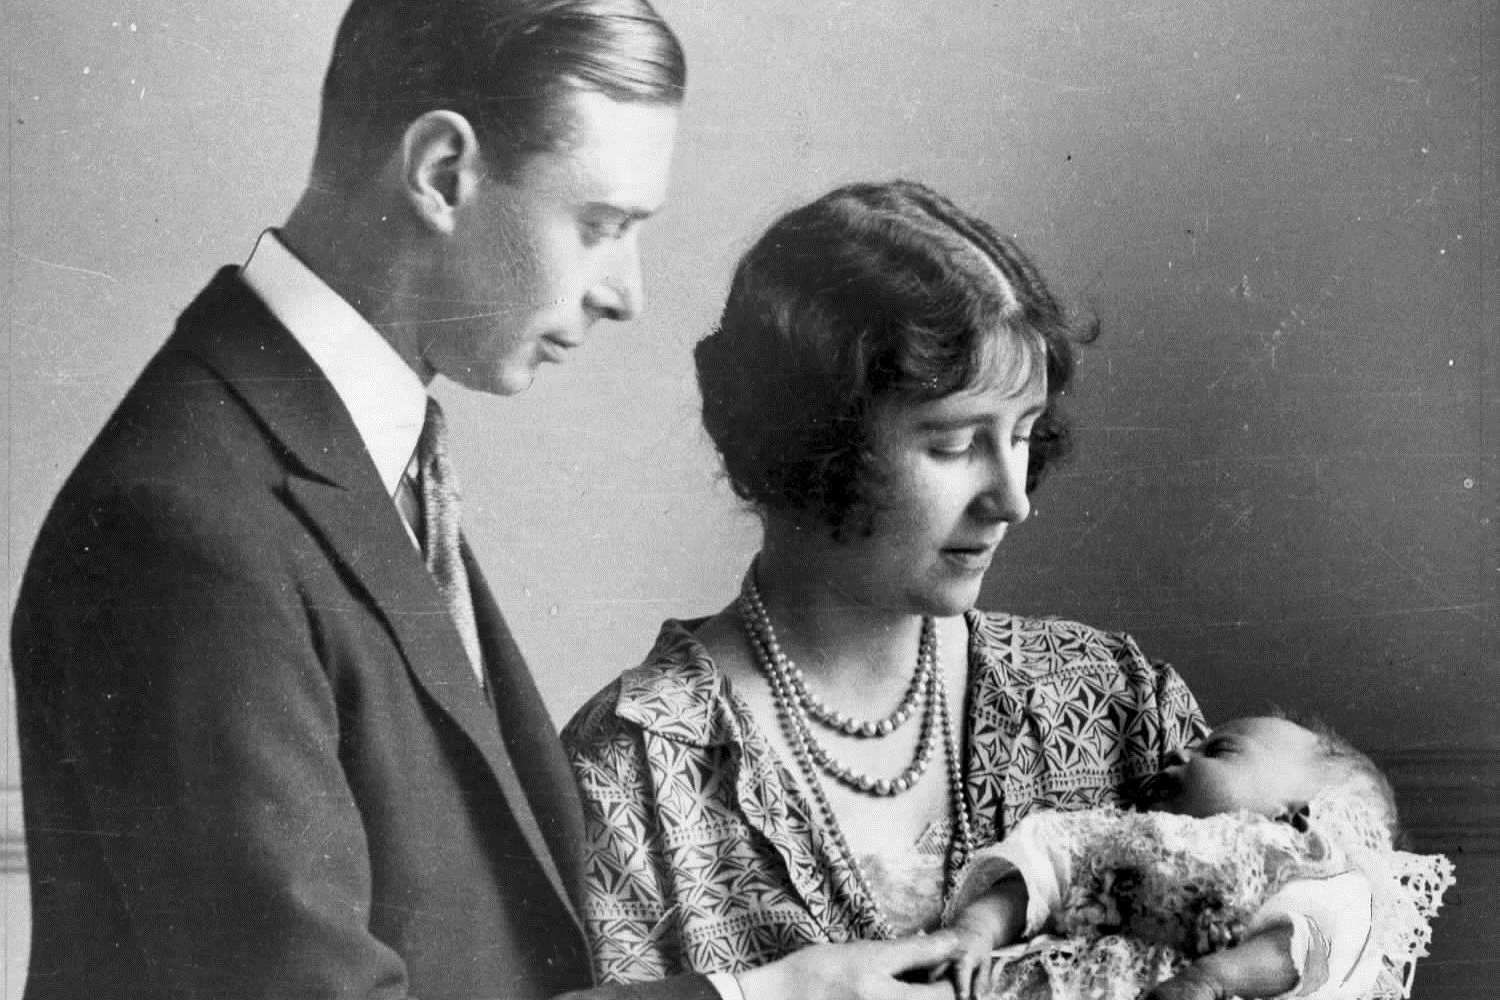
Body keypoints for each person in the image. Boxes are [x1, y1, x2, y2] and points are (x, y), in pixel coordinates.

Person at [11, 5, 963, 999]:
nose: (627, 292)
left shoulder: (350, 449)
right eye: (601, 226)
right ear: (440, 173)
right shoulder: (189, 527)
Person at [562, 180, 1210, 994]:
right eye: (952, 444)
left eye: (1020, 434)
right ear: (811, 444)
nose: (1013, 498)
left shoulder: (1111, 700)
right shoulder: (640, 771)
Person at [941, 714, 1455, 1000]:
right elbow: (1038, 870)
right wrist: (976, 932)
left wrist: (1213, 980)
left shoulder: (1294, 864)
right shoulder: (1123, 833)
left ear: (1297, 817)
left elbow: (1303, 946)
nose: (1179, 752)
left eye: (1220, 751)